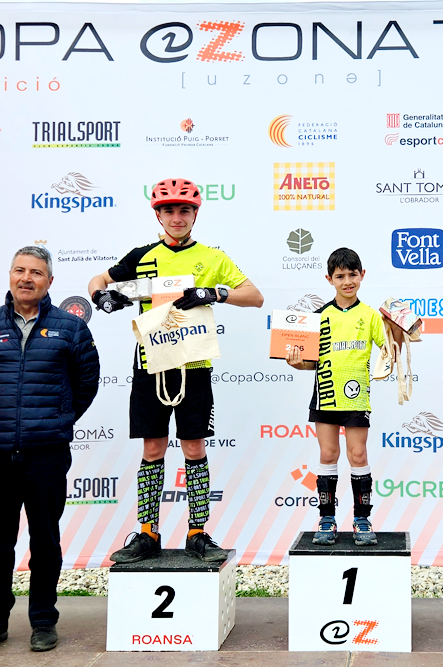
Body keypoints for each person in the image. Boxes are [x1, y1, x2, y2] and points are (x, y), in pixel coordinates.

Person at [88, 178, 263, 564]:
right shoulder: (142, 255)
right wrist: (102, 296)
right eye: (169, 210)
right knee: (152, 448)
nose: (177, 217)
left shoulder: (212, 257)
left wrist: (214, 293)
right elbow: (98, 280)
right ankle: (148, 533)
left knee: (194, 447)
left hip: (193, 365)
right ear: (158, 215)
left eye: (184, 210)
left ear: (195, 214)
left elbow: (255, 296)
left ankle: (198, 533)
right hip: (150, 364)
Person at [0, 246, 100, 652]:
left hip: (47, 454)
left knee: (45, 541)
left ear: (49, 281)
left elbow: (86, 383)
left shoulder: (70, 328)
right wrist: (5, 417)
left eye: (36, 272)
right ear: (10, 275)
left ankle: (43, 621)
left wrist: (56, 418)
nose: (26, 278)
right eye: (19, 270)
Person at [286, 247, 398, 546]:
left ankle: (362, 519)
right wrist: (297, 363)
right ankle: (327, 519)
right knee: (327, 455)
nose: (347, 281)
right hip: (325, 397)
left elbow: (390, 349)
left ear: (362, 275)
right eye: (340, 276)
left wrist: (401, 329)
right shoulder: (319, 316)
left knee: (358, 455)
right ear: (329, 279)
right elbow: (309, 362)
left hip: (357, 399)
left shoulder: (371, 316)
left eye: (352, 275)